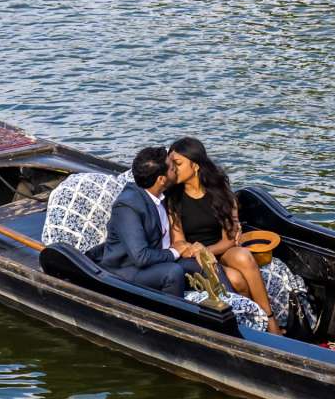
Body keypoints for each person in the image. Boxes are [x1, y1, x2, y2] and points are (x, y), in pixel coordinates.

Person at [165, 136, 277, 332]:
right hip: (195, 259)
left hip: (220, 249)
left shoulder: (219, 191)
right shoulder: (174, 198)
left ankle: (270, 321)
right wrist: (199, 253)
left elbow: (229, 240)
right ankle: (250, 325)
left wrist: (206, 249)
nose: (173, 169)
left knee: (243, 256)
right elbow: (179, 242)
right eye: (171, 164)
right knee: (235, 280)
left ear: (196, 165)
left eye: (178, 164)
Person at [93, 146, 200, 295]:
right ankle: (171, 317)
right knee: (172, 272)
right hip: (126, 270)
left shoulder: (160, 192)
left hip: (156, 260)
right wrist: (175, 251)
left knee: (198, 263)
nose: (175, 169)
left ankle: (232, 306)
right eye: (171, 168)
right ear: (161, 179)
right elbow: (141, 257)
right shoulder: (127, 207)